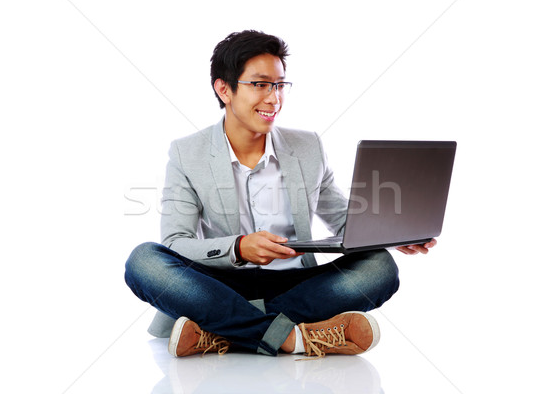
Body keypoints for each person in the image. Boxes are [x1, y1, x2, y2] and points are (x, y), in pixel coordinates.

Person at [124, 30, 436, 359]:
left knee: (379, 268)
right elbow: (176, 243)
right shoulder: (188, 153)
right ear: (224, 89)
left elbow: (345, 222)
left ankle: (219, 332)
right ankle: (292, 338)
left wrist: (390, 234)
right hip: (220, 284)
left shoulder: (308, 147)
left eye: (279, 85)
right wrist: (239, 248)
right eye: (260, 85)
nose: (274, 99)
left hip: (298, 285)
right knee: (143, 260)